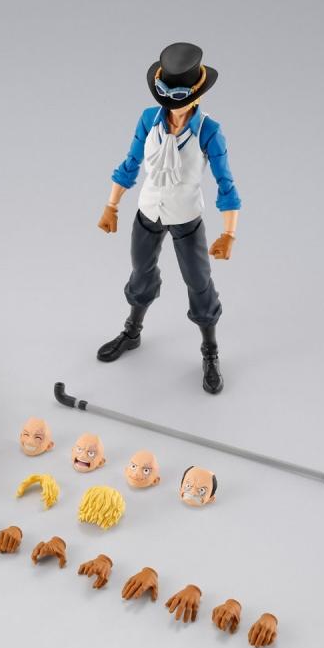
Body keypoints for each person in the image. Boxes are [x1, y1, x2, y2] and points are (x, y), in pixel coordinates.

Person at [96, 42, 241, 394]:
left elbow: (226, 184)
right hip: (148, 211)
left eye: (179, 98)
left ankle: (210, 350)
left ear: (196, 95)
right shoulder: (149, 119)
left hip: (186, 217)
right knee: (140, 271)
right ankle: (132, 331)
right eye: (166, 96)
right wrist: (112, 205)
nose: (172, 105)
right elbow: (130, 163)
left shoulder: (208, 130)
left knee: (199, 281)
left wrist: (229, 233)